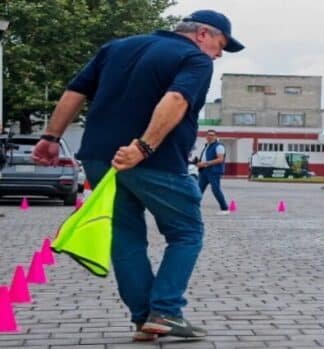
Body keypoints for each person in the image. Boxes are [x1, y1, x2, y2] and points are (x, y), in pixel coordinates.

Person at [31, 10, 244, 341]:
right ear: (203, 33)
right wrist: (143, 147)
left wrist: (50, 138)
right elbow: (176, 100)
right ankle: (166, 310)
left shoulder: (116, 47)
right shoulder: (194, 59)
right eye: (221, 45)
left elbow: (75, 91)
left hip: (100, 158)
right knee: (186, 231)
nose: (218, 55)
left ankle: (145, 317)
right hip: (153, 160)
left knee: (126, 237)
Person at [197, 129, 229, 214]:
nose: (209, 136)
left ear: (216, 136)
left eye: (212, 135)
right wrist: (199, 164)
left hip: (213, 171)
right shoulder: (207, 146)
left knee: (216, 190)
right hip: (204, 171)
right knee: (198, 190)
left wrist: (205, 163)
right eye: (208, 135)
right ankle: (193, 207)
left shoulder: (219, 146)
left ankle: (225, 209)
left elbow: (220, 159)